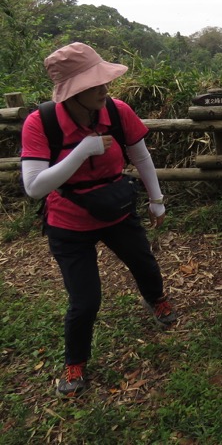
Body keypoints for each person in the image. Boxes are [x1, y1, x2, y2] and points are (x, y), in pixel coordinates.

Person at [20, 42, 176, 398]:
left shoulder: (117, 112)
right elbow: (34, 187)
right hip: (68, 221)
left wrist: (157, 201)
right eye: (94, 83)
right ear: (72, 93)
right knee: (85, 300)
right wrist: (82, 150)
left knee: (144, 263)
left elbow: (141, 156)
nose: (105, 88)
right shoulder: (40, 123)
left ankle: (156, 299)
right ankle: (75, 362)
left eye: (104, 80)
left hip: (116, 208)